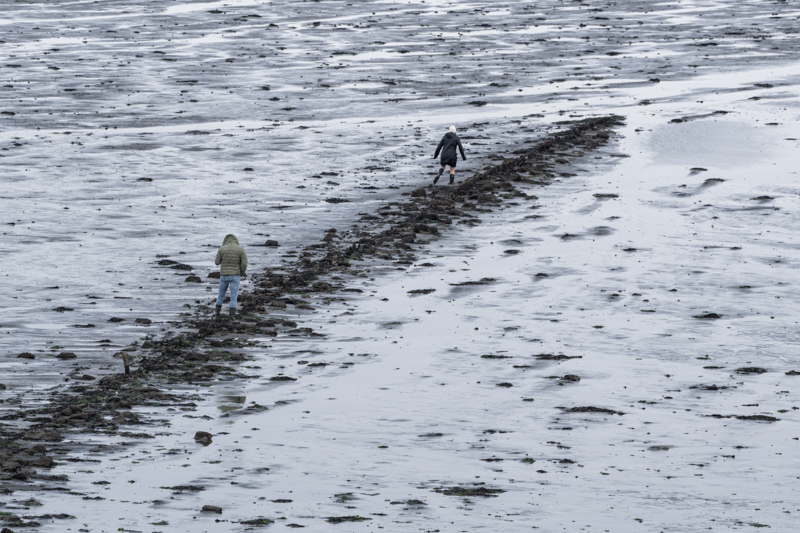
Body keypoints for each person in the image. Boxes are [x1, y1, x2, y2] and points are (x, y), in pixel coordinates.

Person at [214, 234, 247, 321]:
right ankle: (231, 318)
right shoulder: (240, 249)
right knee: (233, 297)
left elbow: (217, 262)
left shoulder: (222, 249)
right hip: (235, 275)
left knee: (220, 295)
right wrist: (242, 272)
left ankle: (216, 315)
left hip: (224, 275)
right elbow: (244, 264)